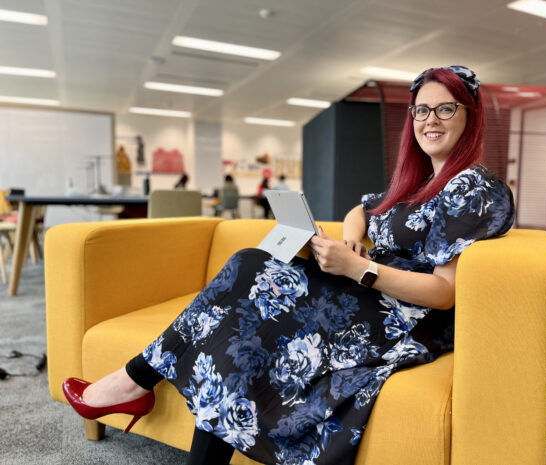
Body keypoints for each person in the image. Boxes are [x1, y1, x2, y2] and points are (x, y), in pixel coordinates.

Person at [62, 65, 515, 465]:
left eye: (445, 109)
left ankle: (132, 381)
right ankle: (134, 382)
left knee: (252, 272)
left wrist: (359, 269)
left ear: (469, 117)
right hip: (371, 293)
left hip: (404, 317)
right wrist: (353, 240)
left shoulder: (474, 187)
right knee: (251, 278)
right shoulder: (418, 182)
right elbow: (364, 210)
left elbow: (445, 292)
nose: (429, 120)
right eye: (421, 110)